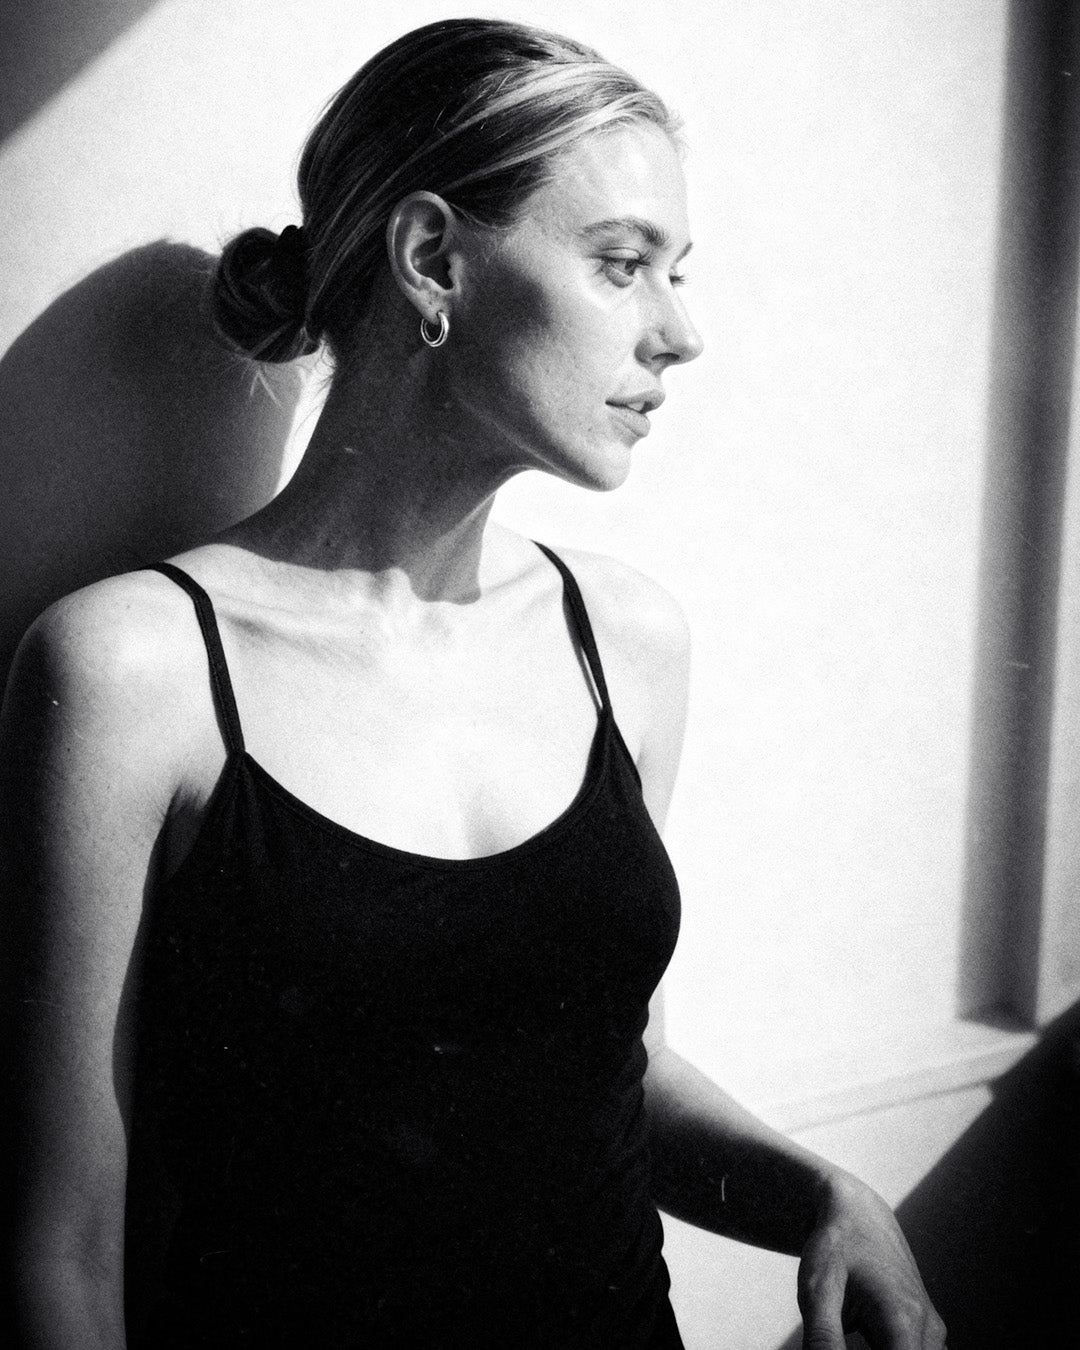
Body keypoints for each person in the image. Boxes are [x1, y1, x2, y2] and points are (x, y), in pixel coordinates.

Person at [0, 17, 946, 1349]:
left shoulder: (623, 640)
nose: (680, 334)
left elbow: (608, 1069)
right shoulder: (131, 673)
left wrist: (830, 1196)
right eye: (623, 264)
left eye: (676, 273)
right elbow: (65, 1245)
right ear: (434, 258)